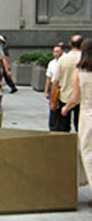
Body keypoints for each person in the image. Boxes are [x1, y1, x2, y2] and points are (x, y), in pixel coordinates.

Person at [61, 38, 92, 207]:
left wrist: (66, 108)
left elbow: (75, 97)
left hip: (88, 116)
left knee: (88, 153)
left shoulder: (79, 72)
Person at [50, 34, 83, 132]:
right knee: (80, 127)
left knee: (63, 128)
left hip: (64, 97)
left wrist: (53, 101)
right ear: (82, 45)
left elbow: (55, 82)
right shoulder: (86, 59)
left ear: (70, 45)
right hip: (81, 98)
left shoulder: (63, 60)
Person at [44, 45, 64, 131]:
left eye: (57, 51)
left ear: (62, 52)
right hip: (54, 87)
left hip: (62, 86)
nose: (55, 53)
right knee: (53, 106)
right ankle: (53, 126)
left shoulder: (64, 62)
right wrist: (46, 91)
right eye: (54, 51)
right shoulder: (51, 63)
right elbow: (48, 78)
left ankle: (61, 126)